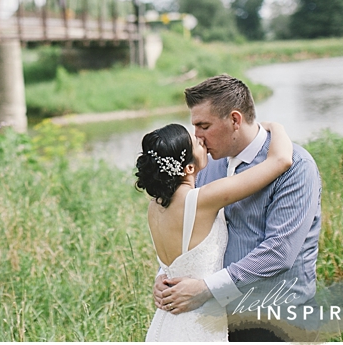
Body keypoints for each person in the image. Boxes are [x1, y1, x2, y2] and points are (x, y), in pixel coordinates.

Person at [154, 75, 322, 341]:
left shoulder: (296, 166)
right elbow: (187, 229)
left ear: (234, 119)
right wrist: (166, 275)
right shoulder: (206, 166)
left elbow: (280, 251)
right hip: (220, 320)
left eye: (204, 125)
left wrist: (207, 288)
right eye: (194, 125)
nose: (196, 137)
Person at [137, 121, 293, 341]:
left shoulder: (154, 207)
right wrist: (276, 127)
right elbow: (281, 160)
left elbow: (172, 263)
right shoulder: (203, 199)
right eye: (197, 144)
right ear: (188, 168)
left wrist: (161, 277)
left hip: (167, 319)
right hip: (198, 319)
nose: (202, 140)